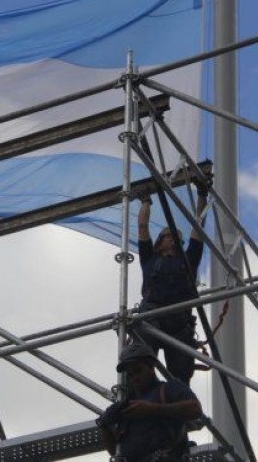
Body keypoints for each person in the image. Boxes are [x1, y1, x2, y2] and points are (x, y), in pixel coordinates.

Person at [136, 182, 208, 385]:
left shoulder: (188, 260)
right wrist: (146, 201)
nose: (174, 240)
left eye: (178, 238)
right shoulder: (149, 258)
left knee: (180, 375)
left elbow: (198, 226)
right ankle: (138, 401)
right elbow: (142, 227)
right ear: (160, 242)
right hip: (152, 316)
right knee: (139, 363)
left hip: (179, 322)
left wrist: (202, 195)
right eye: (169, 237)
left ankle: (178, 408)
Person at [98, 344, 203, 462]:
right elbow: (115, 451)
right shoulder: (128, 407)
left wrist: (152, 409)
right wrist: (104, 426)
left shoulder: (168, 389)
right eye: (130, 374)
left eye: (138, 371)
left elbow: (195, 409)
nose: (135, 378)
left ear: (151, 367)